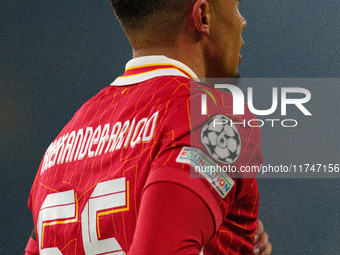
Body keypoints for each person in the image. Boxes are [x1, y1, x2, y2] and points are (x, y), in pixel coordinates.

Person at [25, 0, 272, 254]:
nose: (242, 21)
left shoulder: (61, 145)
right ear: (203, 17)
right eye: (237, 5)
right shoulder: (210, 117)